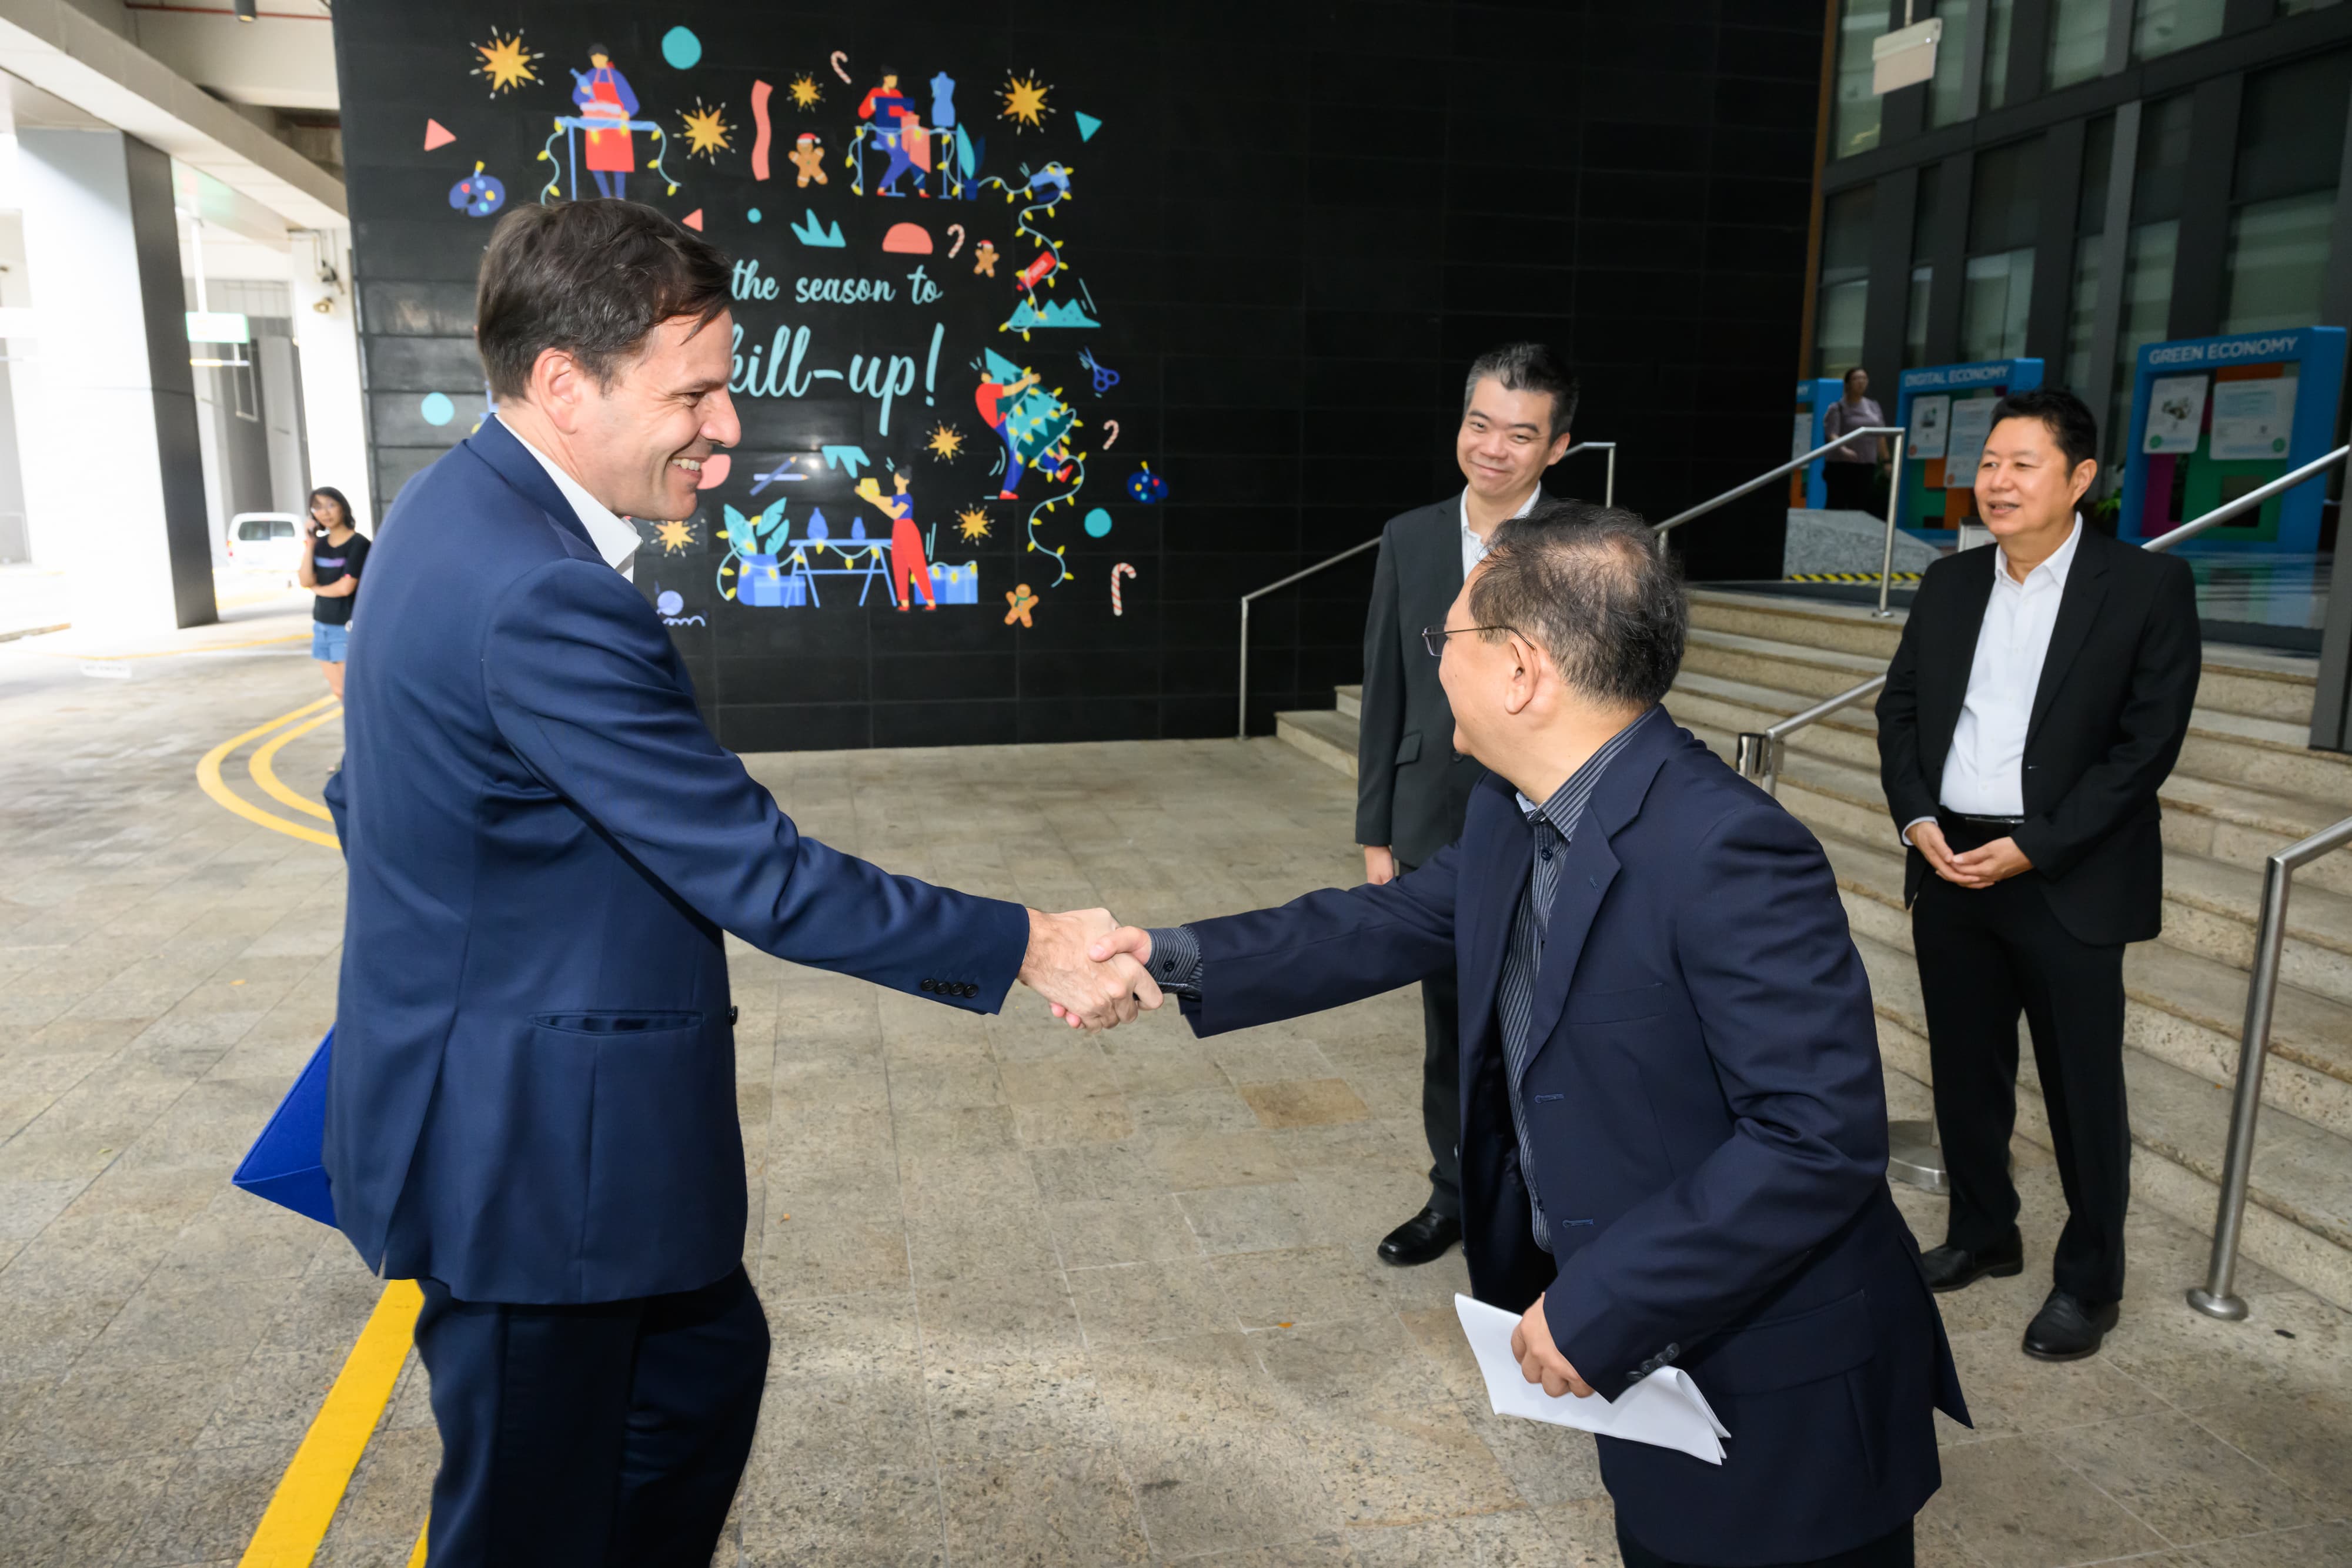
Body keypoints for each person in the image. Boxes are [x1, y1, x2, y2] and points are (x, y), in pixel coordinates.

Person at [319, 199, 1158, 1568]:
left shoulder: (443, 510)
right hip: (531, 1159)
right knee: (528, 1516)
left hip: (511, 1104)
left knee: (695, 1379)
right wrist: (1028, 942)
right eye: (693, 393)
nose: (725, 426)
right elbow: (761, 874)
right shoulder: (540, 593)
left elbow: (362, 792)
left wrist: (471, 922)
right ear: (563, 384)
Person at [1094, 502, 1966, 1567]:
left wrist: (1606, 1295)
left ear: (1520, 671)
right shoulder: (1514, 808)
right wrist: (1162, 956)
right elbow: (1382, 923)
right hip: (1647, 1369)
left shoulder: (1729, 849)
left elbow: (1814, 1139)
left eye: (1448, 637)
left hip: (1778, 1398)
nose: (1435, 660)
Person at [1877, 387, 2200, 1361]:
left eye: (2023, 463)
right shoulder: (1950, 582)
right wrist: (1919, 819)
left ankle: (2090, 1280)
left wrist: (2041, 843)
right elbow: (1901, 711)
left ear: (2081, 477)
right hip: (1952, 861)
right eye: (1989, 463)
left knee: (2082, 1088)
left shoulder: (2146, 586)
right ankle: (1984, 1230)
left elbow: (2145, 746)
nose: (1998, 480)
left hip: (2068, 871)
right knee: (1965, 1072)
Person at [1354, 342, 1575, 1268]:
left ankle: (1554, 1202)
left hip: (1552, 815)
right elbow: (1384, 688)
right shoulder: (1408, 536)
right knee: (1449, 1026)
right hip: (1432, 820)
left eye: (1520, 434)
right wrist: (1376, 830)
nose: (1493, 447)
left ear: (1557, 447)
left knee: (1553, 1026)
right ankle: (1452, 1193)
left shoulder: (1585, 540)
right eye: (1479, 424)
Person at [297, 486, 366, 699]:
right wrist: (310, 544)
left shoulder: (359, 544)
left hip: (345, 627)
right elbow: (305, 580)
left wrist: (318, 590)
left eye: (331, 505)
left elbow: (346, 587)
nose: (325, 512)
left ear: (343, 507)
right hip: (322, 626)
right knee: (338, 691)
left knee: (352, 693)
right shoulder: (319, 546)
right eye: (318, 508)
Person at [572, 46, 639, 199]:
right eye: (594, 58)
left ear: (606, 58)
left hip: (616, 129)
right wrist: (583, 92)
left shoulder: (616, 77)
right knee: (597, 164)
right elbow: (578, 98)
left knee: (619, 164)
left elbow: (631, 102)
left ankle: (620, 198)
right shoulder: (589, 76)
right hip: (596, 128)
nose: (597, 61)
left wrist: (627, 112)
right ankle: (606, 197)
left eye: (600, 57)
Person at [1821, 366, 1887, 513]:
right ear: (1848, 383)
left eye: (1864, 378)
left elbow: (1881, 435)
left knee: (1862, 504)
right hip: (1841, 465)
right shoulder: (1837, 408)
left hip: (1866, 464)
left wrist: (1886, 461)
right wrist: (1843, 449)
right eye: (1856, 379)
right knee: (1837, 503)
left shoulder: (1873, 406)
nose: (1861, 382)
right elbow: (1832, 433)